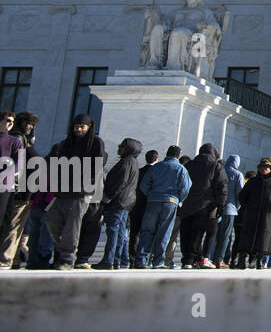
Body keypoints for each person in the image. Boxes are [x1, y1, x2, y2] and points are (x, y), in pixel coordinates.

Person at [44, 114, 107, 270]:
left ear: (89, 127)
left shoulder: (96, 143)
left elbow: (96, 166)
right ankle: (63, 251)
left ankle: (67, 259)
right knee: (52, 220)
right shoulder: (67, 144)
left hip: (80, 192)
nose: (78, 129)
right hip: (62, 191)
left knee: (72, 227)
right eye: (76, 126)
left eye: (82, 127)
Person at [135, 145, 191, 269]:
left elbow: (144, 185)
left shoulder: (156, 166)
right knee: (164, 231)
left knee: (147, 230)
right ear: (178, 155)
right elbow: (186, 188)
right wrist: (179, 200)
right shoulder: (181, 169)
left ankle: (141, 259)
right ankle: (158, 261)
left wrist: (151, 194)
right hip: (170, 201)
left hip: (153, 200)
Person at [93, 138, 141, 270]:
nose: (118, 148)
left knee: (113, 232)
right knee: (120, 233)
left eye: (121, 146)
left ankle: (109, 260)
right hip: (126, 202)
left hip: (118, 202)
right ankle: (121, 260)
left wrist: (107, 198)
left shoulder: (125, 163)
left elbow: (119, 183)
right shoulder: (133, 162)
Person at [178, 143, 226, 268]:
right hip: (205, 205)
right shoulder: (216, 166)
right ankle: (191, 259)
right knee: (197, 233)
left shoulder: (189, 165)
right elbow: (222, 186)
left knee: (186, 232)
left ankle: (186, 258)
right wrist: (220, 205)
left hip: (188, 204)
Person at [236, 157, 271, 270]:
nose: (264, 169)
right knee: (248, 236)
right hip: (252, 213)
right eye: (262, 167)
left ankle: (260, 261)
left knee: (264, 237)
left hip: (266, 213)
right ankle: (243, 260)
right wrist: (247, 206)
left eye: (267, 167)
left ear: (270, 168)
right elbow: (242, 195)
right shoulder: (253, 181)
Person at [0, 112, 26, 266]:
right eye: (8, 121)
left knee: (3, 220)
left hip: (5, 186)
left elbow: (19, 164)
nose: (10, 124)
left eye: (12, 122)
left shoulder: (14, 141)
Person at [209, 155, 242, 268]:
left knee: (214, 234)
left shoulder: (219, 171)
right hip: (230, 209)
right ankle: (219, 260)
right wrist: (237, 207)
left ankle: (210, 258)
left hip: (216, 208)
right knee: (225, 236)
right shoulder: (237, 174)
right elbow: (240, 193)